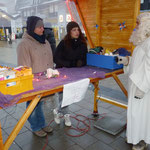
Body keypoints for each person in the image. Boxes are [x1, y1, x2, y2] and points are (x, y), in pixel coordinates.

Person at [117, 12, 150, 150]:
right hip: (137, 84)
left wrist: (143, 88)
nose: (135, 26)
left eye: (138, 23)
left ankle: (141, 140)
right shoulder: (142, 43)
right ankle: (134, 137)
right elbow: (138, 62)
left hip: (142, 87)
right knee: (135, 113)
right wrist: (127, 61)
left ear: (145, 25)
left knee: (140, 115)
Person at [17, 16, 54, 137]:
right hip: (33, 81)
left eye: (43, 26)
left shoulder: (45, 41)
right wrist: (29, 81)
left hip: (45, 79)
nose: (42, 29)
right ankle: (35, 126)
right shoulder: (24, 44)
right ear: (32, 28)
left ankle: (42, 123)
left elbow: (49, 59)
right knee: (32, 105)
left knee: (40, 104)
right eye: (39, 27)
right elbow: (23, 66)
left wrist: (52, 73)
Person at [53, 21, 88, 126]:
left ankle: (57, 111)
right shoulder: (64, 43)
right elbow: (56, 58)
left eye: (78, 29)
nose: (76, 32)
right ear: (69, 32)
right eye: (74, 30)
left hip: (75, 74)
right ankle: (65, 114)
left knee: (70, 94)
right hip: (62, 71)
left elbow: (84, 58)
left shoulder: (82, 43)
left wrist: (81, 62)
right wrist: (71, 63)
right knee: (63, 94)